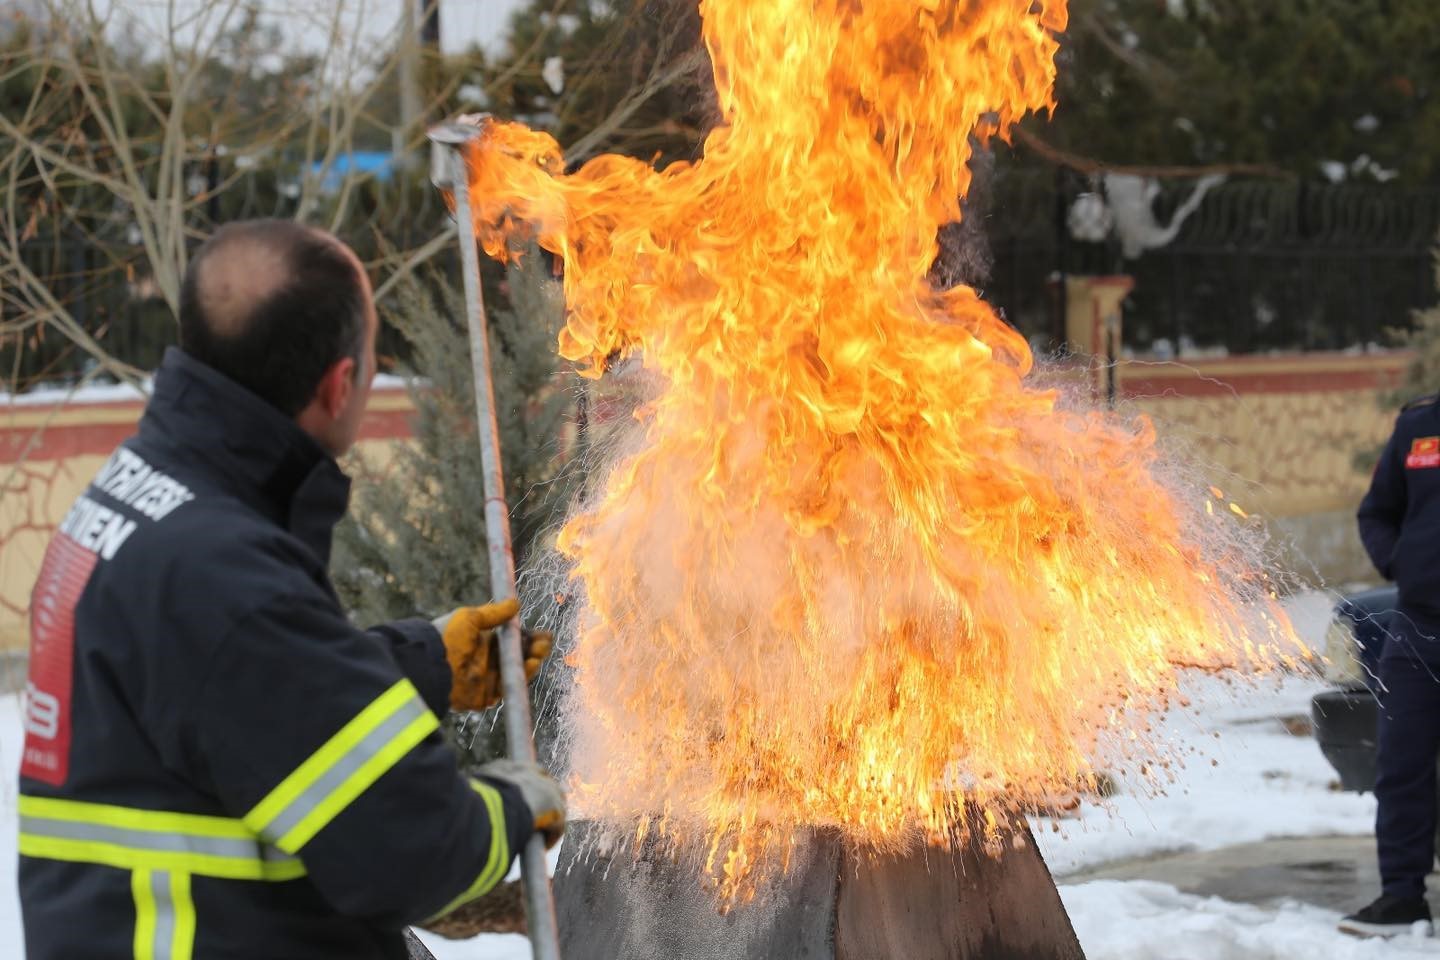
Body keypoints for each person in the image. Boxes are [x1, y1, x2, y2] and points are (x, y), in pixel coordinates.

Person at [17, 219, 566, 959]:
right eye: (374, 361)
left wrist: (420, 662)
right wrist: (514, 803)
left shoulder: (148, 490)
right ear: (338, 386)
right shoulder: (224, 575)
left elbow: (235, 694)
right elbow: (412, 852)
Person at [1344, 392, 1440, 938]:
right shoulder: (1419, 426)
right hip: (1419, 626)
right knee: (1401, 766)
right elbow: (1377, 510)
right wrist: (1399, 561)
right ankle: (1402, 897)